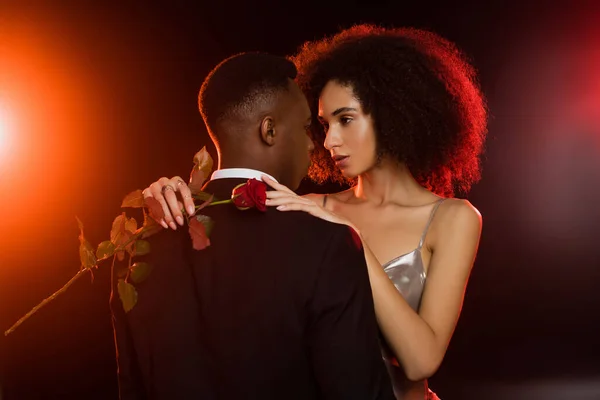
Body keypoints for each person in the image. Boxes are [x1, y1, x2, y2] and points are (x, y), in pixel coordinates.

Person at [147, 25, 487, 400]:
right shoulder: (307, 207)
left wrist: (348, 235)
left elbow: (421, 360)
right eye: (323, 125)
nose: (328, 141)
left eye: (345, 119)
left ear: (392, 113)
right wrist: (172, 195)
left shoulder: (454, 219)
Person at [112, 52, 395, 400]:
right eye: (306, 128)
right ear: (270, 130)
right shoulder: (326, 242)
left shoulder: (135, 252)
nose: (314, 144)